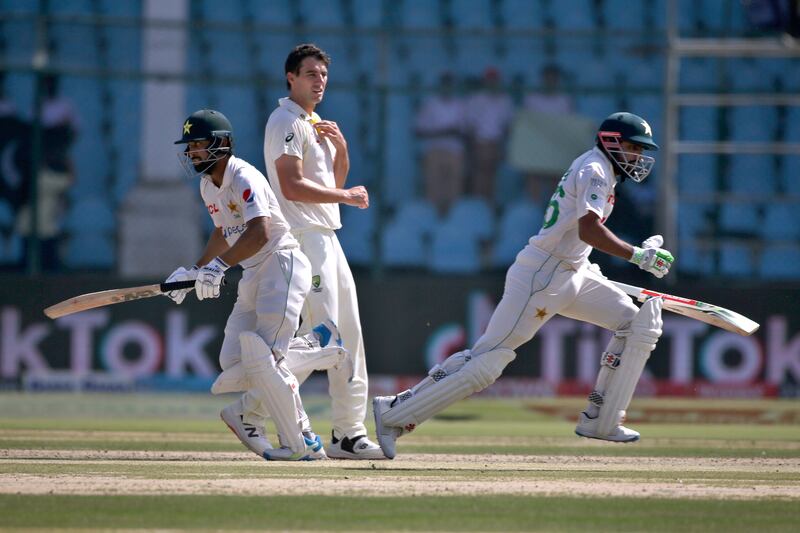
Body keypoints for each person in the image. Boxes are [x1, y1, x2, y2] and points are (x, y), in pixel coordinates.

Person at [373, 112, 673, 459]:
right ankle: (394, 413)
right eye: (633, 147)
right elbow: (587, 229)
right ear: (611, 142)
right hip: (543, 275)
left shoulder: (600, 170)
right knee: (487, 363)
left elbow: (576, 236)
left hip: (571, 270)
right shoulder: (595, 170)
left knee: (637, 324)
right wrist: (637, 255)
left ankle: (601, 419)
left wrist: (597, 263)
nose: (637, 156)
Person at [167, 108, 352, 461]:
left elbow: (260, 230)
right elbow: (224, 231)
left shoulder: (243, 175)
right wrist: (196, 270)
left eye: (198, 145)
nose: (192, 154)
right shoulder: (209, 185)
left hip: (281, 265)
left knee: (266, 360)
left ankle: (303, 440)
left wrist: (219, 268)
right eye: (189, 147)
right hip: (253, 273)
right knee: (233, 362)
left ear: (221, 145)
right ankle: (321, 345)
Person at [263, 43, 384, 459]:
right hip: (300, 237)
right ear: (291, 77)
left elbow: (332, 178)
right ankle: (253, 406)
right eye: (311, 74)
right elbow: (292, 185)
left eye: (324, 75)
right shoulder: (285, 122)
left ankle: (348, 434)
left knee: (347, 333)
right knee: (324, 337)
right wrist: (346, 195)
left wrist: (343, 148)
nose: (320, 81)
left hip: (326, 235)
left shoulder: (312, 122)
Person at [414, 72, 466, 215]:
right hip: (434, 149)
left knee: (454, 188)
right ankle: (434, 217)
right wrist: (445, 132)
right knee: (433, 187)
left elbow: (464, 131)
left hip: (455, 151)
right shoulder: (430, 104)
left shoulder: (460, 104)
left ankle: (451, 218)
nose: (447, 88)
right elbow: (419, 131)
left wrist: (450, 132)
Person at [464, 67, 513, 205]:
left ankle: (490, 206)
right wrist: (473, 146)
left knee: (494, 177)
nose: (492, 83)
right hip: (480, 141)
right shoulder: (476, 98)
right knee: (480, 175)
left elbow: (507, 126)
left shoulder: (505, 100)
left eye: (494, 80)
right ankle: (478, 205)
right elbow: (470, 125)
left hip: (497, 142)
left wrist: (503, 146)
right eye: (489, 80)